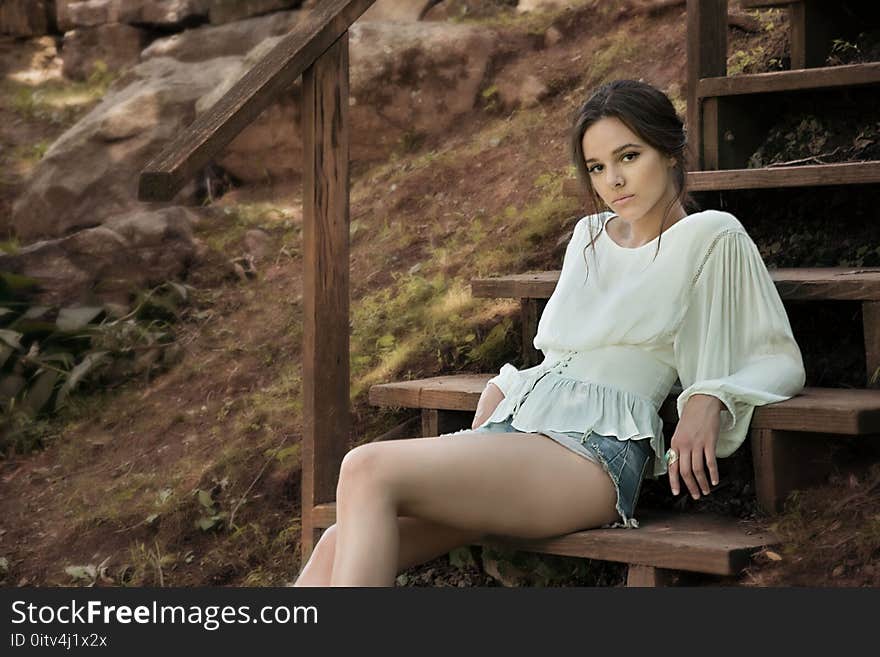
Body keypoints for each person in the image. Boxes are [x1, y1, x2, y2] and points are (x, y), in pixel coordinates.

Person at [293, 78, 806, 587]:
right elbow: (564, 351)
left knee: (366, 468)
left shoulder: (712, 235)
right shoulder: (588, 237)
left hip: (592, 451)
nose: (614, 181)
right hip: (518, 428)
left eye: (629, 156)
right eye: (598, 168)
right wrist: (508, 385)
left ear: (671, 151)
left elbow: (775, 356)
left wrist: (709, 396)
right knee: (335, 542)